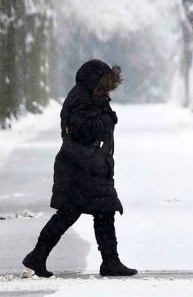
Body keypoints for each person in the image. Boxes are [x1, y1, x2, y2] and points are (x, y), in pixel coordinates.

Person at [22, 59, 137, 278]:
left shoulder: (89, 96)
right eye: (105, 84)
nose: (108, 90)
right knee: (79, 212)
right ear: (95, 81)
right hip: (80, 166)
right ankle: (108, 262)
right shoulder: (82, 98)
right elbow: (82, 129)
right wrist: (108, 119)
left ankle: (40, 255)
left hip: (86, 165)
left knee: (96, 211)